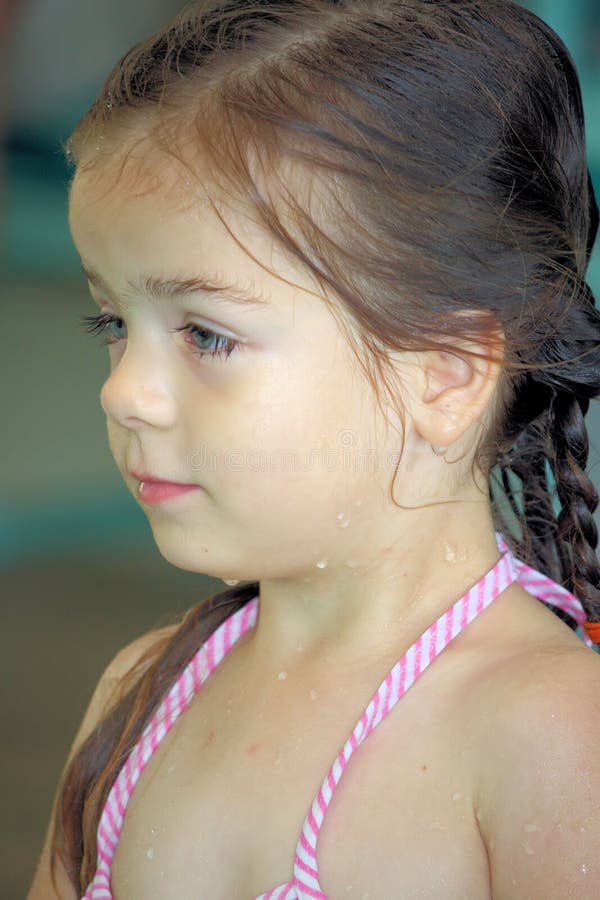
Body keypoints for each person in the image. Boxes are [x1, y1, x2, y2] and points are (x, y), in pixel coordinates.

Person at [27, 1, 600, 898]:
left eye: (206, 335)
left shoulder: (548, 732)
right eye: (114, 321)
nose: (123, 392)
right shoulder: (139, 695)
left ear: (445, 376)